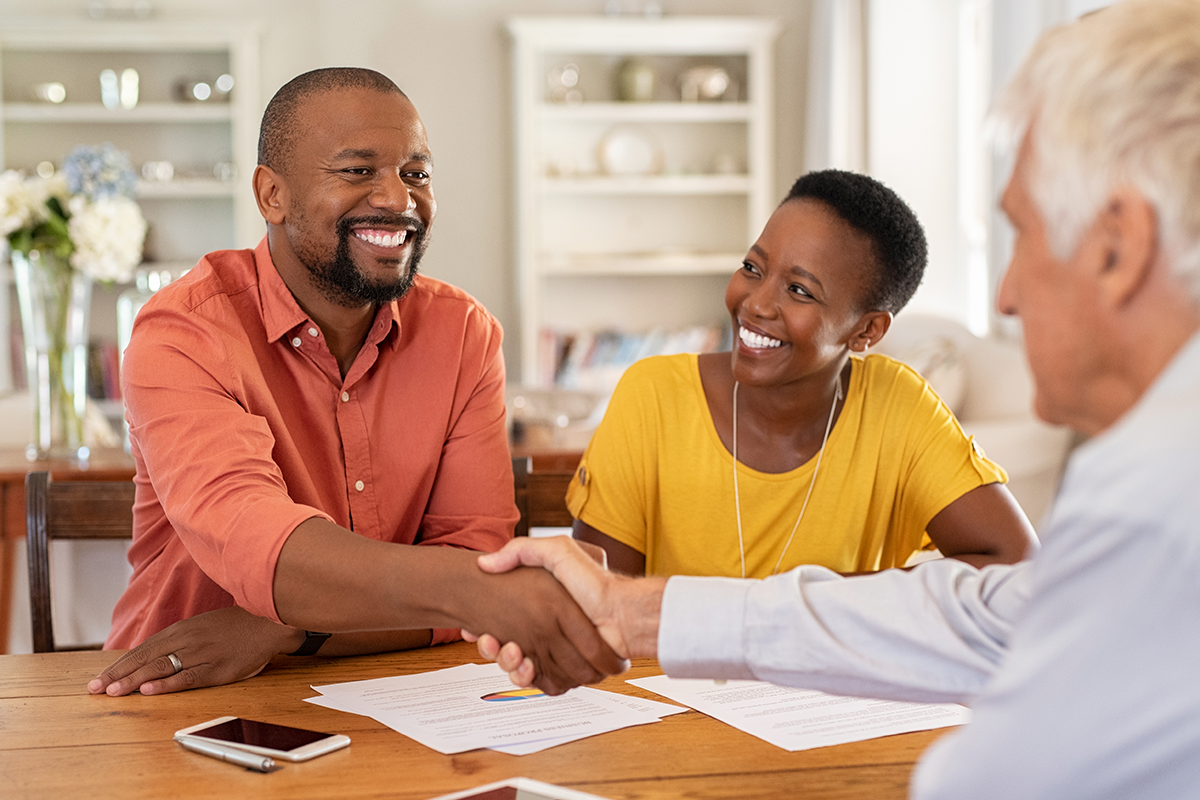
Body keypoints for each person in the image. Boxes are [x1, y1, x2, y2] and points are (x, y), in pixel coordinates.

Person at [470, 1, 1200, 796]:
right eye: (757, 268)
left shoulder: (1154, 497)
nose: (1008, 294)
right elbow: (999, 612)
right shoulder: (1150, 472)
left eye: (1020, 232)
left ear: (1120, 246)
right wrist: (631, 610)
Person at [88, 67, 624, 698]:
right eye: (357, 171)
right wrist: (481, 593)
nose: (398, 199)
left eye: (416, 174)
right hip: (180, 693)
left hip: (390, 689)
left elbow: (474, 556)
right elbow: (264, 549)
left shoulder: (464, 335)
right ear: (271, 195)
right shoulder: (185, 333)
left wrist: (288, 633)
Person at [570, 169, 1036, 579]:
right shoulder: (655, 395)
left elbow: (1017, 564)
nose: (756, 303)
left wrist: (808, 604)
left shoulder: (899, 406)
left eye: (799, 290)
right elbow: (597, 605)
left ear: (866, 330)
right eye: (752, 267)